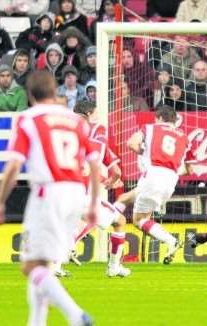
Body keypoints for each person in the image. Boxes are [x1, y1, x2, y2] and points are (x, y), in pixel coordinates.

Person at [0, 70, 97, 326]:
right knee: (44, 266)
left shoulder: (28, 118)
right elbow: (93, 162)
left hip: (49, 192)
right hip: (77, 193)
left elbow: (13, 166)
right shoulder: (76, 120)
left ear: (29, 94)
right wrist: (93, 203)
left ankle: (75, 315)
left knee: (29, 266)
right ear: (55, 91)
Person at [127, 105, 195, 264]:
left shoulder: (150, 128)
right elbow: (190, 169)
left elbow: (131, 143)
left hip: (152, 176)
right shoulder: (185, 138)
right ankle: (170, 242)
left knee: (137, 220)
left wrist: (143, 153)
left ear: (159, 118)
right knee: (145, 217)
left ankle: (172, 241)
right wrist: (171, 170)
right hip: (170, 181)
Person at [71, 100, 131, 277]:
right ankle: (113, 266)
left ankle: (57, 258)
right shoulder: (98, 135)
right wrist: (110, 179)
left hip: (59, 192)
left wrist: (110, 178)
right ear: (89, 114)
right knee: (118, 221)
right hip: (83, 193)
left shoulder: (63, 133)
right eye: (96, 112)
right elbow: (115, 172)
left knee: (84, 220)